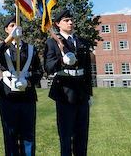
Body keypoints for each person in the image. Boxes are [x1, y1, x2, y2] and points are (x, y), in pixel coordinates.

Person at [43, 9, 93, 156]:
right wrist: (62, 61)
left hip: (82, 92)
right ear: (57, 24)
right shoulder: (52, 43)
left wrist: (89, 94)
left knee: (82, 136)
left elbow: (88, 70)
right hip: (65, 92)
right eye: (66, 20)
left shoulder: (82, 42)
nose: (70, 22)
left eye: (71, 20)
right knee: (66, 137)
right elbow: (48, 67)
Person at [0, 15, 43, 156]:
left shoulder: (30, 49)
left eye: (18, 25)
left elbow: (39, 71)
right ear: (6, 29)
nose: (16, 28)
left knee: (28, 135)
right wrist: (10, 38)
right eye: (12, 26)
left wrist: (28, 82)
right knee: (10, 136)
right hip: (8, 96)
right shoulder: (3, 48)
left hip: (27, 97)